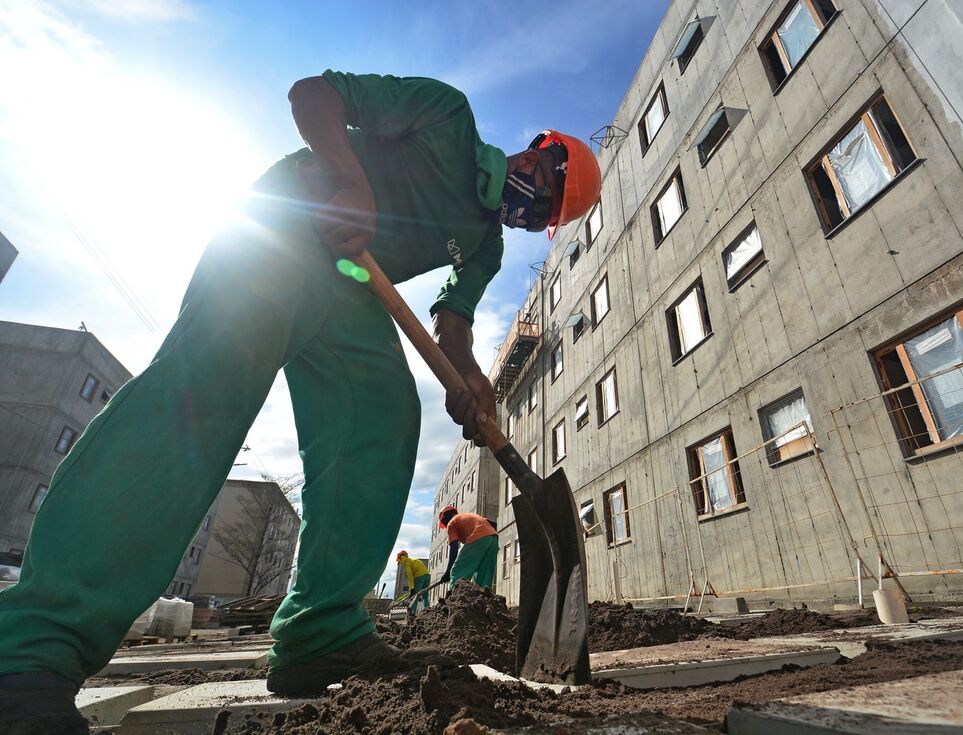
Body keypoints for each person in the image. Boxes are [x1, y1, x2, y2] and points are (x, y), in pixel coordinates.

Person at [0, 70, 600, 729]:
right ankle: (35, 644)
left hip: (347, 281)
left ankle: (320, 632)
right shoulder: (447, 118)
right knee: (207, 386)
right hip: (286, 221)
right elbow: (313, 95)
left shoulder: (485, 242)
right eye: (546, 191)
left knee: (385, 417)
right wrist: (350, 177)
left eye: (547, 215)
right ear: (540, 153)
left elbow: (452, 323)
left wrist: (470, 380)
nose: (535, 210)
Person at [438, 505, 499, 589]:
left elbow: (454, 548)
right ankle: (483, 598)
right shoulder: (470, 516)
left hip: (478, 537)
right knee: (484, 575)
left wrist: (448, 572)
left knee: (457, 571)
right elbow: (494, 524)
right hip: (493, 539)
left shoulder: (451, 523)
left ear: (446, 517)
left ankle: (454, 598)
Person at [395, 550, 431, 615]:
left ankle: (411, 612)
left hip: (419, 575)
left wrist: (412, 588)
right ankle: (427, 611)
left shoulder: (406, 563)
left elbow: (410, 576)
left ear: (400, 558)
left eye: (399, 562)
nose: (400, 563)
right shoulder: (413, 560)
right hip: (427, 575)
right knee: (425, 595)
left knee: (415, 595)